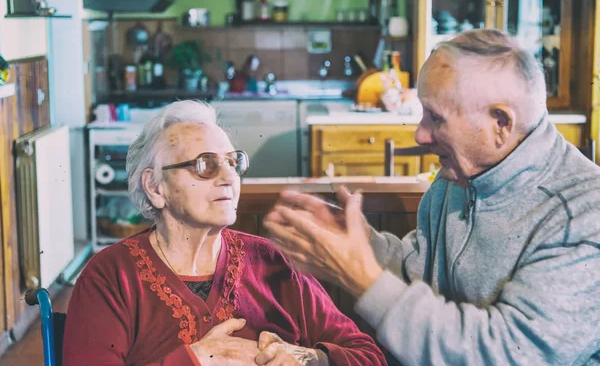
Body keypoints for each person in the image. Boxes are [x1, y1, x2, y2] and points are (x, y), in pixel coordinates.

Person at [263, 29, 600, 365]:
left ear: (500, 122)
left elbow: (508, 353)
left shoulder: (584, 215)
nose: (420, 134)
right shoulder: (458, 177)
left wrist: (363, 277)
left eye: (435, 117)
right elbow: (420, 272)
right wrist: (362, 243)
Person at [62, 100, 387, 365]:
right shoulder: (110, 277)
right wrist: (197, 358)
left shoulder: (269, 262)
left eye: (234, 162)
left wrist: (310, 358)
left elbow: (368, 356)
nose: (229, 177)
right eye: (205, 165)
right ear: (155, 187)